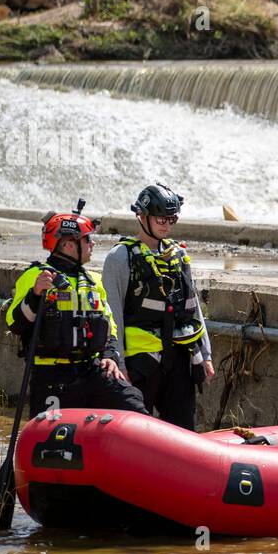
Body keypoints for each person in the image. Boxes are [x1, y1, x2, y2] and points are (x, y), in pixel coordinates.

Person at [4, 205, 146, 419]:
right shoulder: (35, 276)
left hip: (92, 371)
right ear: (69, 245)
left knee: (133, 404)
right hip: (52, 377)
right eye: (87, 239)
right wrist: (34, 294)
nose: (93, 243)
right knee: (52, 442)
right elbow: (14, 323)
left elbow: (111, 327)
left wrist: (110, 356)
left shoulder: (95, 281)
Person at [101, 183, 214, 430]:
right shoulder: (120, 257)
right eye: (161, 218)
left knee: (184, 430)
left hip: (179, 362)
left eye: (171, 219)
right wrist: (119, 364)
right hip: (140, 365)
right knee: (135, 432)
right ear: (142, 216)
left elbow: (193, 308)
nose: (166, 224)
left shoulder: (179, 255)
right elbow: (112, 316)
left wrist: (205, 355)